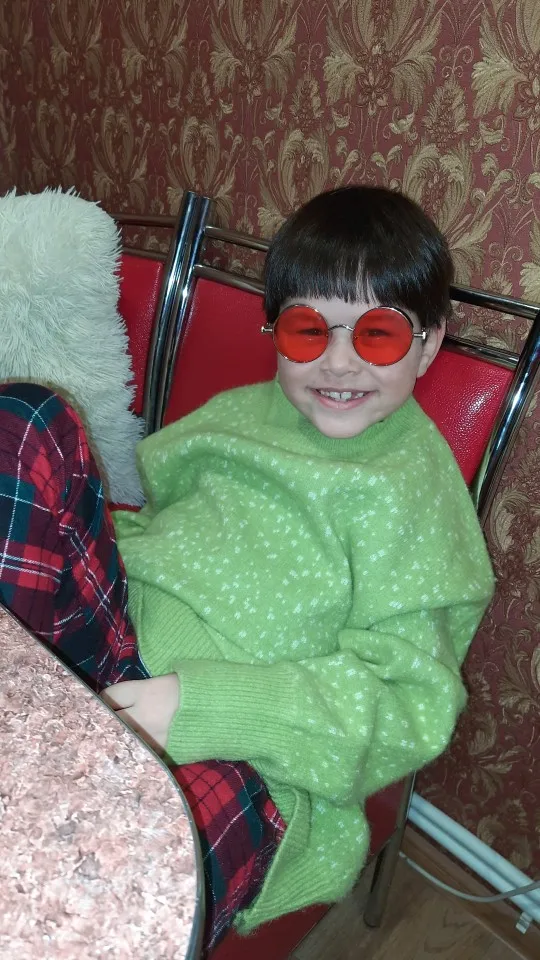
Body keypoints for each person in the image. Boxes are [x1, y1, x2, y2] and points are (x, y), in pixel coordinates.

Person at [0, 186, 494, 952]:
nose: (338, 362)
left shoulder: (415, 500)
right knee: (28, 415)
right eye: (308, 330)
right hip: (120, 631)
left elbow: (407, 704)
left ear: (429, 345)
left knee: (110, 890)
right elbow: (157, 513)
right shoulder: (242, 413)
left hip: (247, 750)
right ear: (277, 331)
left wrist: (199, 706)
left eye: (379, 335)